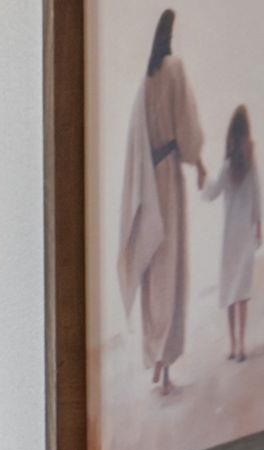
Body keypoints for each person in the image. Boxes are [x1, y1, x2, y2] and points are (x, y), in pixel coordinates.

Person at [116, 8, 207, 395]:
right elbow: (186, 126)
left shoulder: (145, 81)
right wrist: (199, 164)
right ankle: (164, 368)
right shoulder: (174, 69)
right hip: (168, 180)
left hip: (149, 184)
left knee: (154, 272)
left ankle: (155, 358)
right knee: (170, 269)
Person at [205, 105, 261, 361]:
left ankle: (232, 345)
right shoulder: (250, 162)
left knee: (229, 291)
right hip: (245, 234)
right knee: (242, 294)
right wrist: (259, 226)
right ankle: (241, 347)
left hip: (230, 238)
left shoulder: (227, 165)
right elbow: (257, 194)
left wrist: (201, 178)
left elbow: (212, 192)